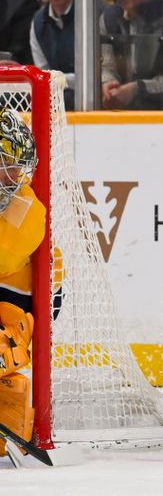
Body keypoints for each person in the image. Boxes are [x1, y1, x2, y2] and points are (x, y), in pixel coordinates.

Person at [0, 108, 42, 459]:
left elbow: (45, 303)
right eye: (4, 163)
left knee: (5, 345)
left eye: (14, 165)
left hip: (9, 300)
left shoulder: (26, 214)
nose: (12, 175)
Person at [29, 0, 75, 110]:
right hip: (56, 103)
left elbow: (94, 80)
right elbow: (42, 77)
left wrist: (55, 80)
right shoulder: (38, 22)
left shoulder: (93, 15)